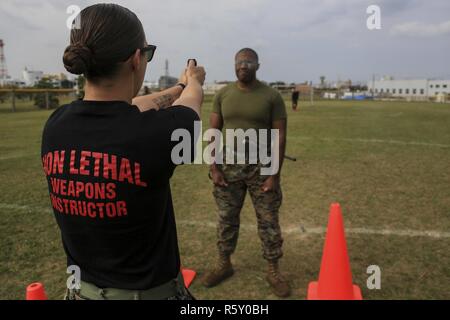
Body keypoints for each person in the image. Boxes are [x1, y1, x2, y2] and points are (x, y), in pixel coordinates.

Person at [41, 3, 205, 300]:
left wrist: (179, 85)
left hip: (81, 293)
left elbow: (127, 109)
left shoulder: (55, 126)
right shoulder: (158, 133)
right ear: (136, 59)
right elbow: (191, 104)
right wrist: (193, 82)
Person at [201, 48, 291, 297]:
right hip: (228, 168)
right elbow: (214, 132)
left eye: (249, 62)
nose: (244, 65)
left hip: (262, 169)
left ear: (257, 66)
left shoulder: (271, 96)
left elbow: (280, 136)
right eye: (240, 61)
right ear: (234, 65)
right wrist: (214, 167)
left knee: (269, 220)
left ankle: (273, 269)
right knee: (226, 218)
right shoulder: (222, 94)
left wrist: (274, 174)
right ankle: (224, 264)